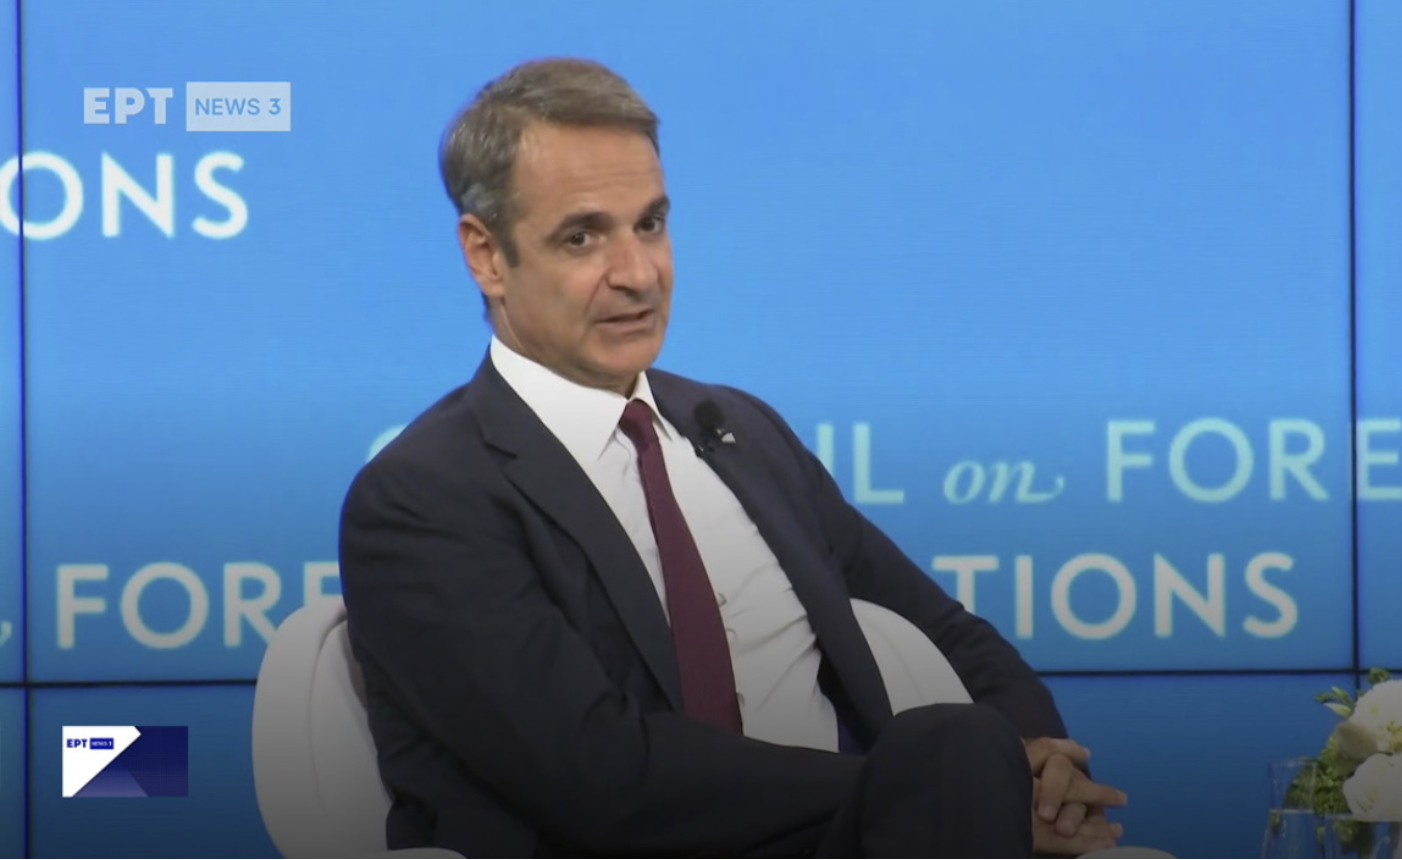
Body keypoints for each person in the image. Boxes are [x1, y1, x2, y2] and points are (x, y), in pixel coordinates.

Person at [339, 56, 1127, 858]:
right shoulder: (422, 499)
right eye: (582, 237)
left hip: (885, 834)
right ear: (486, 256)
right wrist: (934, 787)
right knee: (954, 752)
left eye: (650, 224)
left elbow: (951, 635)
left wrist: (1037, 767)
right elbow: (600, 777)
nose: (638, 274)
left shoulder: (738, 432)